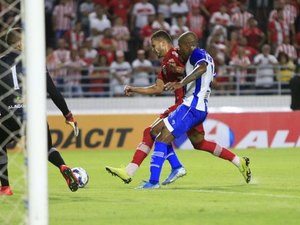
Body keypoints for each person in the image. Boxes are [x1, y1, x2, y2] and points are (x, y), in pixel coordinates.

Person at [105, 30, 251, 187]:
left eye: (154, 46)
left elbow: (201, 68)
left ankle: (140, 173)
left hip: (186, 105)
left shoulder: (180, 53)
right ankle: (238, 161)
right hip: (191, 106)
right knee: (199, 143)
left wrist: (181, 76)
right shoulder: (166, 64)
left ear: (163, 43)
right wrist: (134, 89)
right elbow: (157, 88)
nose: (153, 50)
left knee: (153, 132)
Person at [0, 27, 79, 196]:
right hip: (33, 115)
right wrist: (67, 114)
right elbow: (53, 92)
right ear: (19, 43)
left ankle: (5, 187)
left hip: (8, 116)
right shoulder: (35, 62)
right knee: (47, 147)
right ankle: (62, 166)